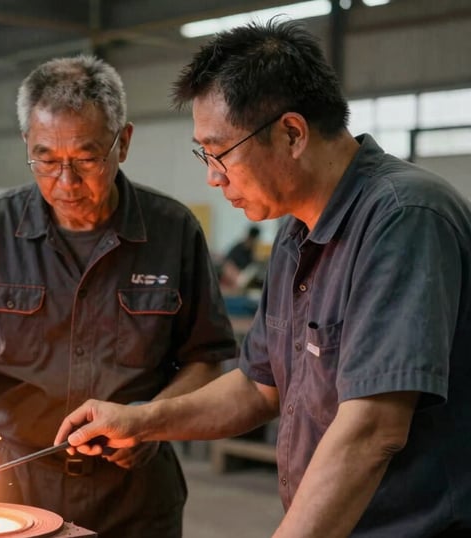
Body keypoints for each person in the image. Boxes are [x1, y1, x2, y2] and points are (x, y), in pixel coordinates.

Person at [55, 19, 471, 538]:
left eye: (219, 151)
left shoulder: (403, 217)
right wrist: (141, 420)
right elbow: (258, 388)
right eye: (203, 153)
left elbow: (373, 430)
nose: (212, 174)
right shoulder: (297, 235)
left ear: (292, 133)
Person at [0, 55, 237, 537]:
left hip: (134, 496)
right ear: (27, 143)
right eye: (46, 159)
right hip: (11, 481)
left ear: (122, 143)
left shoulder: (173, 231)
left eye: (85, 160)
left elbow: (206, 358)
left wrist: (148, 421)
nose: (65, 183)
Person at [219, 225, 260, 289]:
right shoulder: (237, 249)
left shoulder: (250, 252)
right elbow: (227, 265)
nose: (254, 243)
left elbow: (251, 267)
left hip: (241, 278)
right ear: (249, 238)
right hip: (234, 277)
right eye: (253, 241)